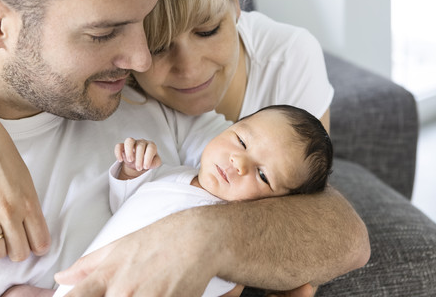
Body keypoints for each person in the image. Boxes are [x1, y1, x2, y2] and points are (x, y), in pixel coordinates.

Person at [0, 0, 369, 296]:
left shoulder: (143, 101)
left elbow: (345, 235)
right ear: (0, 25)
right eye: (103, 34)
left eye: (144, 24)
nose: (142, 61)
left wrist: (204, 238)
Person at [55, 104, 334, 297]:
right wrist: (131, 171)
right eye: (241, 141)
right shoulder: (170, 174)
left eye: (262, 175)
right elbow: (123, 208)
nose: (239, 162)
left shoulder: (232, 236)